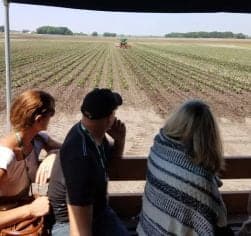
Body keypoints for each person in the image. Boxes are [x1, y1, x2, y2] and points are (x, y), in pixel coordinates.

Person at [137, 99, 232, 236]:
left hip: (148, 230)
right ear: (208, 137)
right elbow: (218, 223)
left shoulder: (159, 149)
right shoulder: (201, 183)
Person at [48, 88, 129, 236]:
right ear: (109, 118)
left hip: (98, 212)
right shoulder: (81, 158)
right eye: (114, 112)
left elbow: (110, 168)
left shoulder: (92, 134)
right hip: (69, 223)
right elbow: (79, 231)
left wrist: (120, 141)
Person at [0, 89, 61, 229]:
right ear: (39, 119)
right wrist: (29, 210)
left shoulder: (37, 139)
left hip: (24, 212)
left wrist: (53, 155)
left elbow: (70, 150)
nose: (51, 119)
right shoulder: (4, 157)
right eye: (50, 115)